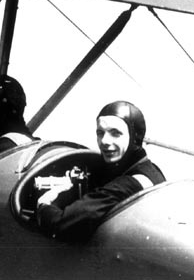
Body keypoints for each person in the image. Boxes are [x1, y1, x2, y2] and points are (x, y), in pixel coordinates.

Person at [36, 100, 165, 242]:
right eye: (100, 133)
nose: (104, 141)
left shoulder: (130, 184)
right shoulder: (151, 170)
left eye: (115, 133)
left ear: (135, 138)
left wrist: (44, 205)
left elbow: (61, 224)